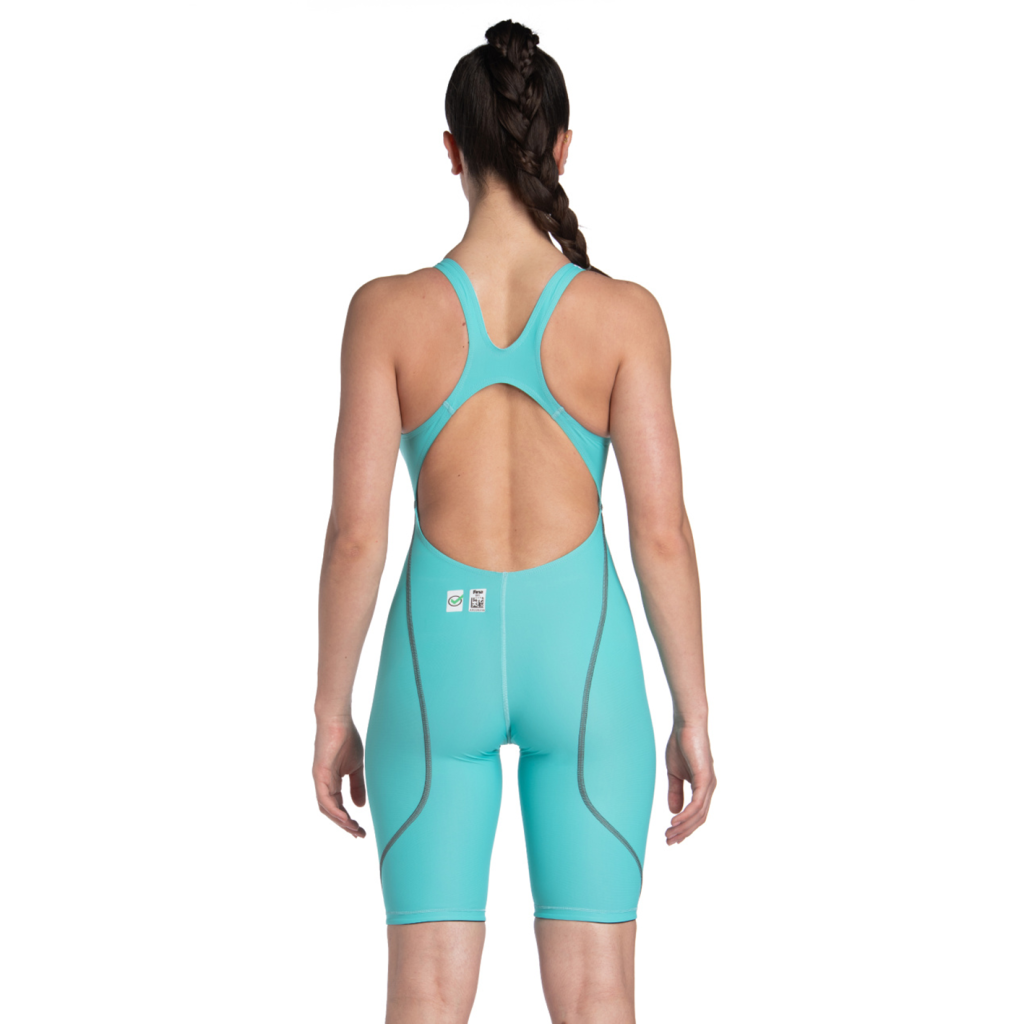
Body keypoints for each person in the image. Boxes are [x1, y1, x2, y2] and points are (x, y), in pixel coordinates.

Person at [313, 19, 715, 1024]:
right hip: (581, 662)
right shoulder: (624, 316)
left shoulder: (384, 311)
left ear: (451, 150)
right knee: (596, 995)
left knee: (424, 994)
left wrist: (330, 710)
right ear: (561, 148)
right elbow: (661, 532)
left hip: (433, 660)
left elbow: (356, 534)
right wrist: (692, 713)